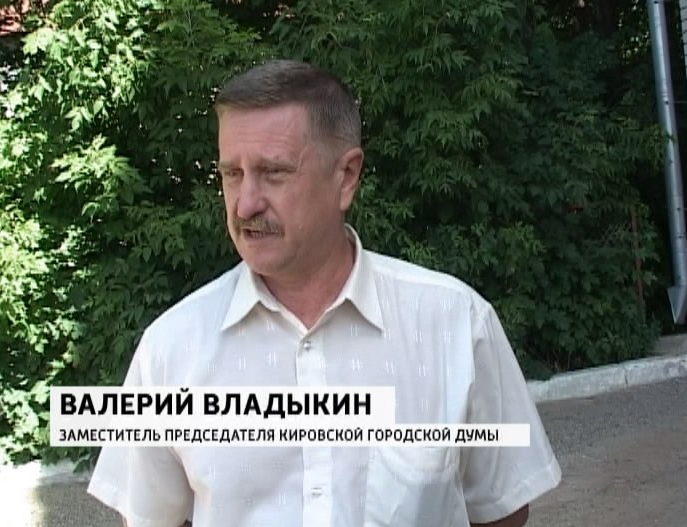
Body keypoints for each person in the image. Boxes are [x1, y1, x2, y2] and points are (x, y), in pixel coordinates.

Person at [88, 59, 561, 527]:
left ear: (346, 176)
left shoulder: (455, 324)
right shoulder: (171, 348)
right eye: (232, 174)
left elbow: (502, 511)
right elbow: (151, 518)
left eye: (274, 172)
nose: (246, 203)